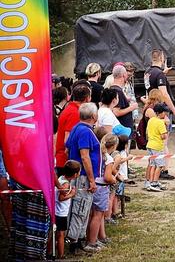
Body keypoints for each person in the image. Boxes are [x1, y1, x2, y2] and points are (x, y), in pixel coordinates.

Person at [64, 103, 101, 252]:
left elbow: (67, 147)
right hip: (83, 177)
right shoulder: (85, 131)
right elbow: (85, 157)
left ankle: (78, 239)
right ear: (93, 116)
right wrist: (91, 180)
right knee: (80, 208)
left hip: (79, 175)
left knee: (81, 207)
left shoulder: (76, 128)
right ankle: (74, 241)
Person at [88, 134, 120, 251]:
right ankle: (92, 242)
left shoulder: (97, 155)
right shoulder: (109, 159)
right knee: (97, 215)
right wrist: (113, 179)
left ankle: (97, 238)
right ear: (114, 146)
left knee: (93, 215)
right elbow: (107, 177)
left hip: (93, 185)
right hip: (102, 188)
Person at [55, 83, 91, 175]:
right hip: (67, 163)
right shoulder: (75, 113)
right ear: (87, 98)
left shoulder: (70, 109)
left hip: (66, 160)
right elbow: (67, 140)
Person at [55, 160, 81, 259]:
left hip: (58, 211)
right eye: (78, 172)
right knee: (61, 234)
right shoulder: (66, 185)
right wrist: (72, 194)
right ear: (75, 174)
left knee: (54, 233)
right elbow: (61, 198)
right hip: (61, 213)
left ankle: (49, 251)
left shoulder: (61, 178)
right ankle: (61, 254)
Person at [145, 49, 175, 119]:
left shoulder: (147, 72)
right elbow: (164, 94)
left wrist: (163, 73)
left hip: (152, 106)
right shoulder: (159, 74)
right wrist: (174, 111)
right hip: (161, 110)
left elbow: (151, 86)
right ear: (161, 58)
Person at [146, 103, 170, 192]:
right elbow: (164, 136)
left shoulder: (151, 120)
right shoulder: (160, 123)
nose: (165, 114)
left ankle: (151, 182)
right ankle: (155, 182)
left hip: (150, 144)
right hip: (157, 146)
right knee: (160, 165)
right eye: (164, 112)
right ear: (161, 113)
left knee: (152, 165)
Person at [110, 64, 139, 132]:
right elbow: (116, 112)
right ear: (123, 75)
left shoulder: (111, 89)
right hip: (123, 131)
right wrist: (132, 107)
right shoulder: (118, 92)